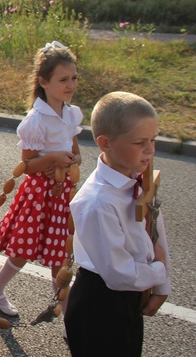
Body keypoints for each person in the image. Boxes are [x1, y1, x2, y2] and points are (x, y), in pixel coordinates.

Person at [65, 92, 170, 356]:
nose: (149, 150)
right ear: (105, 143)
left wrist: (162, 285)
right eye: (139, 142)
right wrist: (158, 272)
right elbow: (118, 273)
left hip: (132, 292)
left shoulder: (139, 177)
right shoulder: (96, 203)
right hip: (100, 302)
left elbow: (155, 231)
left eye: (153, 140)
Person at [0, 42, 82, 316]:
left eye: (74, 78)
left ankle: (66, 315)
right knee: (27, 246)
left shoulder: (71, 112)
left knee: (59, 254)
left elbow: (77, 154)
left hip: (64, 192)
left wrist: (70, 160)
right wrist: (52, 160)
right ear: (43, 82)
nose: (70, 84)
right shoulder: (36, 120)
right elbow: (27, 165)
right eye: (63, 79)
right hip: (39, 192)